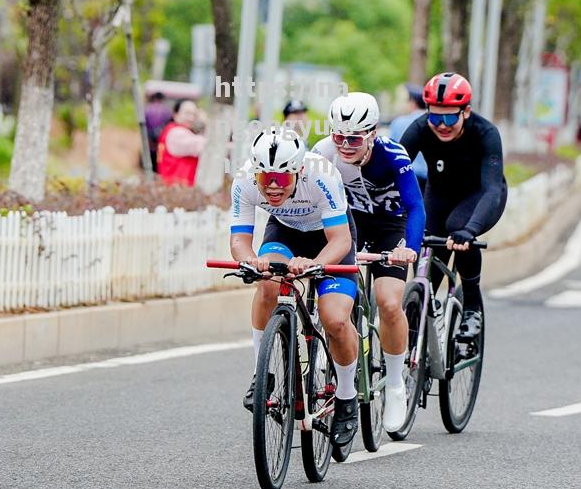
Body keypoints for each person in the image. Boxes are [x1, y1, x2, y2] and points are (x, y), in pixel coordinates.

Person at [230, 128, 362, 446]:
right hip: (285, 233)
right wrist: (250, 261)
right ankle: (263, 376)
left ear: (299, 170)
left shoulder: (321, 175)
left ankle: (347, 396)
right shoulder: (244, 179)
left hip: (330, 236)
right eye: (266, 179)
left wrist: (314, 263)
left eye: (282, 178)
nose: (273, 187)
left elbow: (341, 240)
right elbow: (239, 239)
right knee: (267, 286)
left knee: (336, 320)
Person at [314, 92, 423, 432]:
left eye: (354, 138)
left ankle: (394, 384)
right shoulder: (323, 154)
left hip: (391, 229)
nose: (345, 145)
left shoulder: (393, 155)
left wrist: (410, 248)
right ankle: (324, 350)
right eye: (339, 136)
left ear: (373, 132)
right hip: (349, 227)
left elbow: (416, 207)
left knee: (389, 303)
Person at [398, 71, 507, 343]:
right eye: (435, 117)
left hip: (480, 195)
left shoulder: (486, 133)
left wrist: (471, 230)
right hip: (439, 194)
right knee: (428, 267)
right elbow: (394, 171)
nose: (442, 125)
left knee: (457, 229)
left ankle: (471, 307)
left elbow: (492, 188)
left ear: (466, 112)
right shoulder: (421, 128)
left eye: (449, 117)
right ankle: (419, 329)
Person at [389, 84, 428, 196]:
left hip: (406, 177)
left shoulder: (398, 122)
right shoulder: (434, 122)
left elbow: (391, 150)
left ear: (412, 102)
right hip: (430, 181)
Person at [156, 99, 206, 186]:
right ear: (175, 114)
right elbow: (205, 146)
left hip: (174, 188)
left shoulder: (171, 129)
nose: (191, 118)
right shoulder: (177, 133)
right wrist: (205, 122)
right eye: (187, 113)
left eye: (194, 114)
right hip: (177, 189)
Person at [144, 92, 172, 170]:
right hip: (161, 139)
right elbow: (168, 123)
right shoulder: (167, 111)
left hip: (149, 139)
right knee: (159, 156)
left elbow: (144, 124)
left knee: (149, 155)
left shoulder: (147, 109)